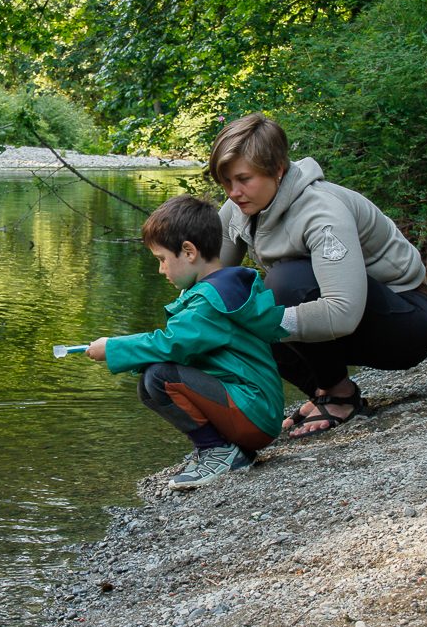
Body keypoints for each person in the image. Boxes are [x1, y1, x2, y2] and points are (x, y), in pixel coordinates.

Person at [209, 113, 427, 438]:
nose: (233, 192)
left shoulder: (322, 212)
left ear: (278, 170)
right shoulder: (241, 206)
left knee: (281, 288)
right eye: (226, 182)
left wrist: (262, 321)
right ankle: (324, 392)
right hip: (352, 319)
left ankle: (340, 395)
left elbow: (343, 314)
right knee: (233, 304)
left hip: (405, 321)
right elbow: (212, 278)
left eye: (243, 179)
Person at [85, 194, 290, 490]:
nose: (160, 270)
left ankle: (218, 453)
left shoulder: (209, 302)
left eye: (162, 260)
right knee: (149, 381)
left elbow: (171, 344)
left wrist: (114, 348)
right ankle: (220, 448)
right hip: (254, 410)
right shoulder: (220, 290)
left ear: (189, 251)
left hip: (254, 414)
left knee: (159, 377)